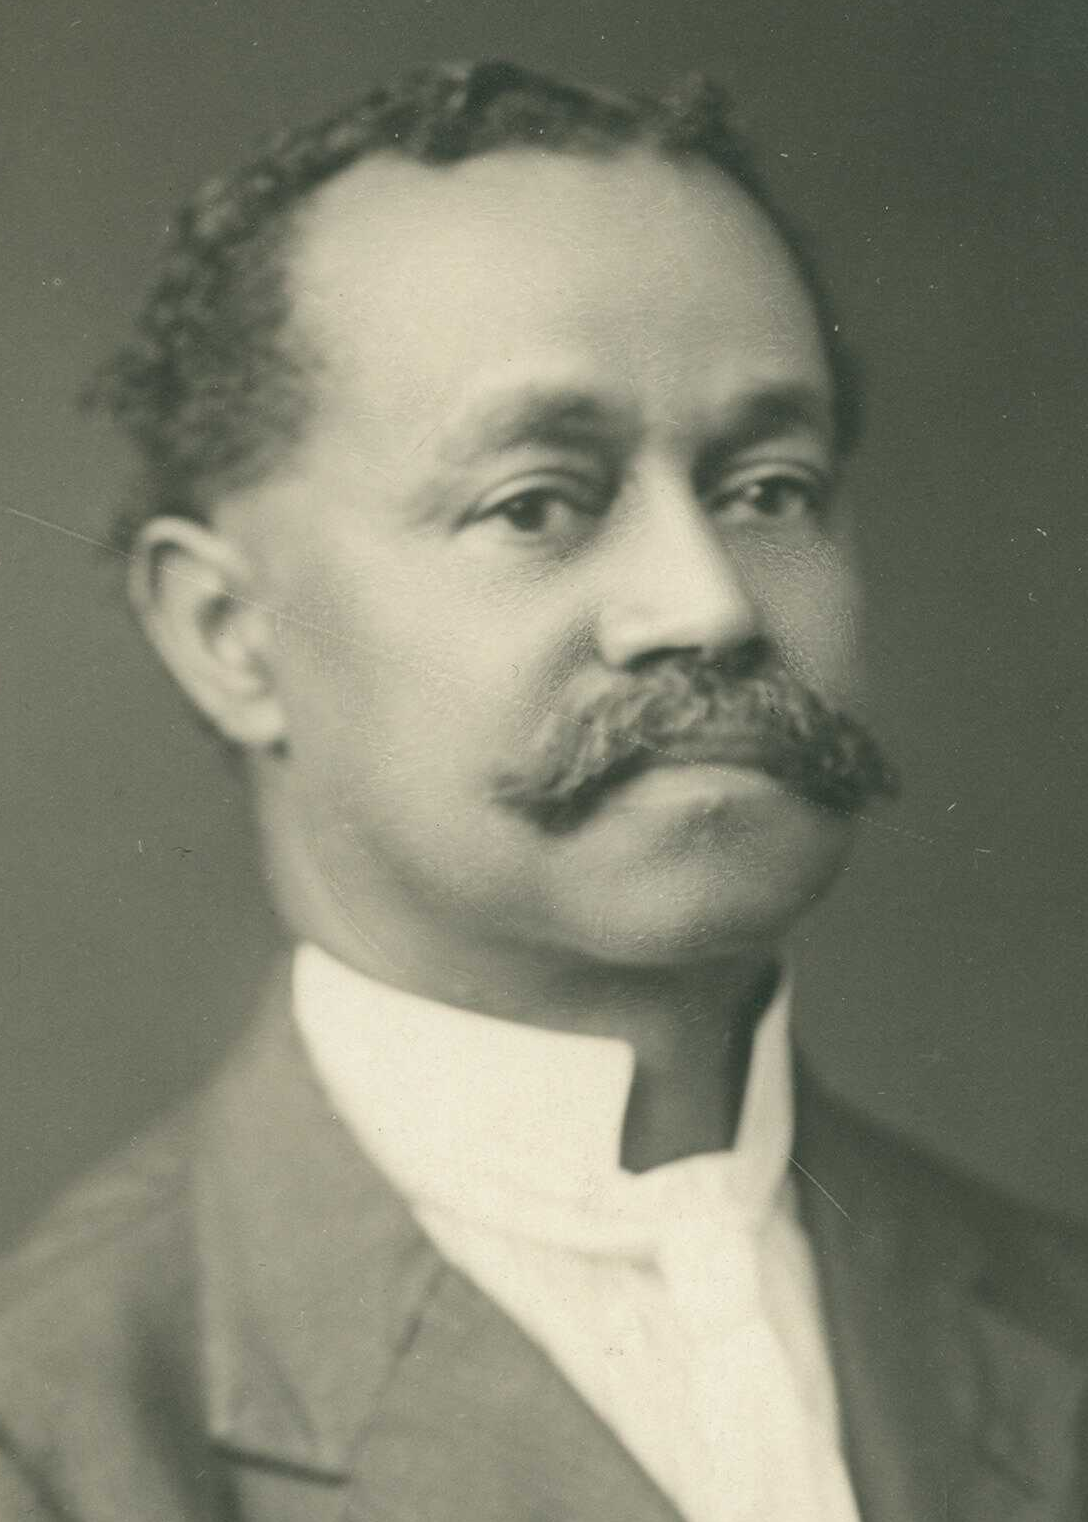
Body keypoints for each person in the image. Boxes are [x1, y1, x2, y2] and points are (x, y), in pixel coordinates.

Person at [1, 59, 1084, 1522]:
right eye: (536, 505)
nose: (705, 604)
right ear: (229, 636)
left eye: (769, 487)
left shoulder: (1053, 1317)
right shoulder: (60, 1438)